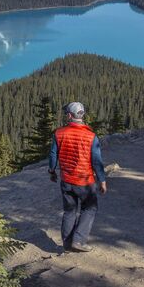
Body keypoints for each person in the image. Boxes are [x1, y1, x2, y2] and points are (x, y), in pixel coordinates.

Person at [48, 102, 107, 252]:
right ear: (81, 115)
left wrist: (52, 171)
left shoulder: (59, 133)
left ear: (69, 115)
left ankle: (67, 245)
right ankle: (79, 241)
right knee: (90, 208)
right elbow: (97, 161)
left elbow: (53, 154)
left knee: (69, 211)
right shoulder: (91, 136)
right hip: (85, 181)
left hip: (67, 180)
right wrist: (102, 180)